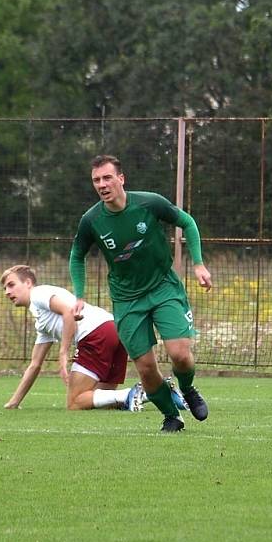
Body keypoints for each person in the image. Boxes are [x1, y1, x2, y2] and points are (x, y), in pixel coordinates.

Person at [69, 154, 212, 432]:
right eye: (96, 180)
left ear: (121, 179)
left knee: (180, 354)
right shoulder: (91, 220)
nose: (102, 184)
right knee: (145, 367)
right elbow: (77, 256)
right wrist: (79, 295)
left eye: (107, 177)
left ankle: (188, 388)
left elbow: (188, 223)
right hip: (127, 300)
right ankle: (171, 415)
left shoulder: (149, 203)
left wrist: (198, 264)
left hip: (163, 287)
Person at [0, 264, 144, 411]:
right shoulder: (42, 323)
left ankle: (129, 394)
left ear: (28, 283)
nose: (7, 292)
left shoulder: (37, 294)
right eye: (5, 288)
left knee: (75, 402)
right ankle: (154, 392)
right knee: (101, 401)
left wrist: (63, 352)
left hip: (96, 333)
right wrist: (14, 402)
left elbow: (69, 312)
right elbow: (35, 365)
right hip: (113, 328)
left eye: (11, 285)